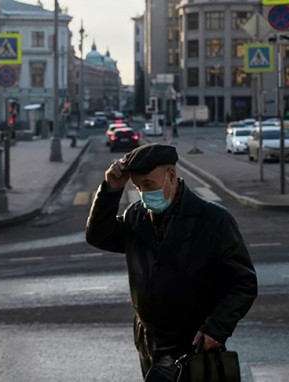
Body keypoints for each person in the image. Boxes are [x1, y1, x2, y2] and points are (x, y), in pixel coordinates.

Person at [85, 143, 258, 382]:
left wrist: (217, 328)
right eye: (137, 187)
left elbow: (244, 281)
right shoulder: (136, 216)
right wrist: (110, 190)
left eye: (149, 185)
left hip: (193, 343)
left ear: (172, 175)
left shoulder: (212, 220)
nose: (144, 194)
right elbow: (98, 236)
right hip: (149, 343)